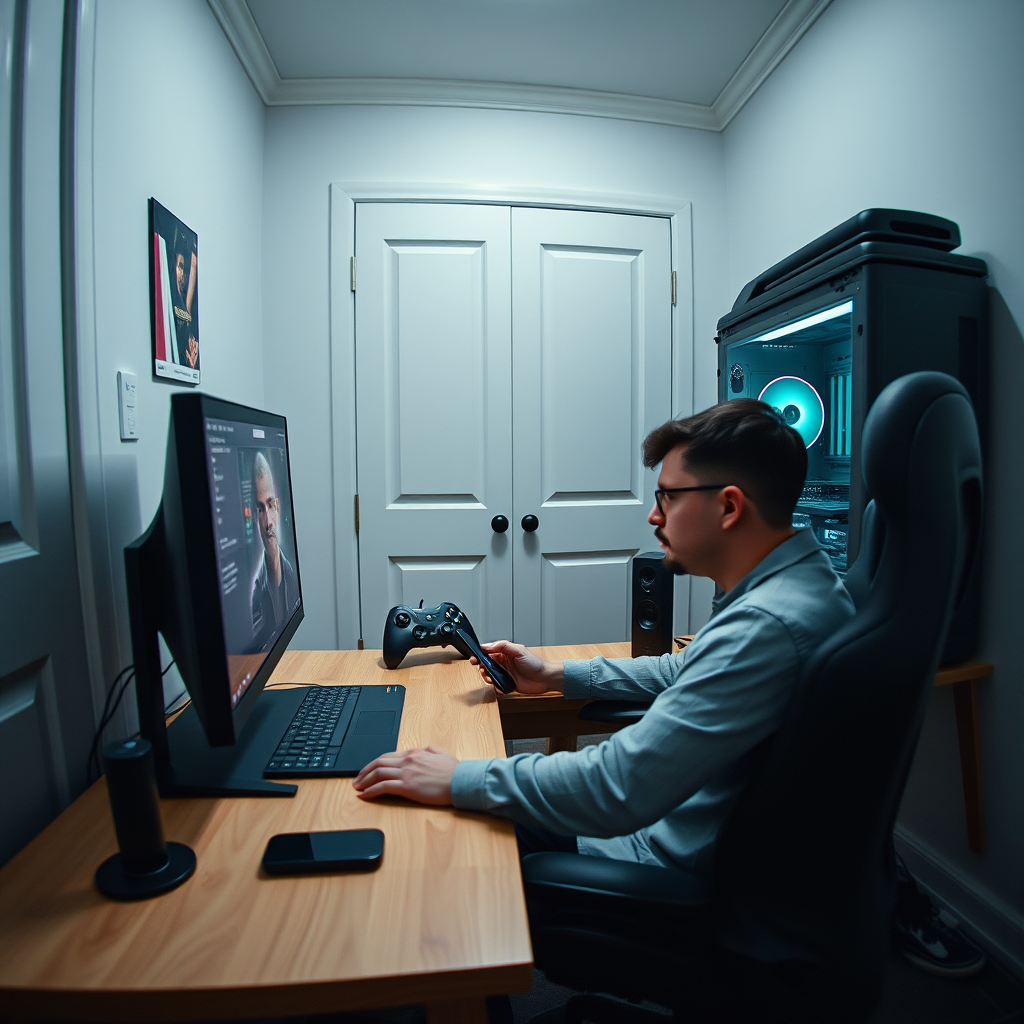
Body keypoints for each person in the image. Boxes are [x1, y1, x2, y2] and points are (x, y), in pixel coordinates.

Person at [353, 400, 856, 884]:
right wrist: (555, 676)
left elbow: (617, 786)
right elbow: (681, 672)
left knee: (428, 833)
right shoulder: (795, 588)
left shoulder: (767, 626)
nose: (653, 517)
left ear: (728, 506)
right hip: (668, 818)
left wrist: (459, 777)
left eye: (668, 497)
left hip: (655, 854)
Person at [251, 451, 298, 648]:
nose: (268, 522)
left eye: (270, 505)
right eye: (260, 509)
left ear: (277, 507)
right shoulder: (256, 596)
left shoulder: (292, 574)